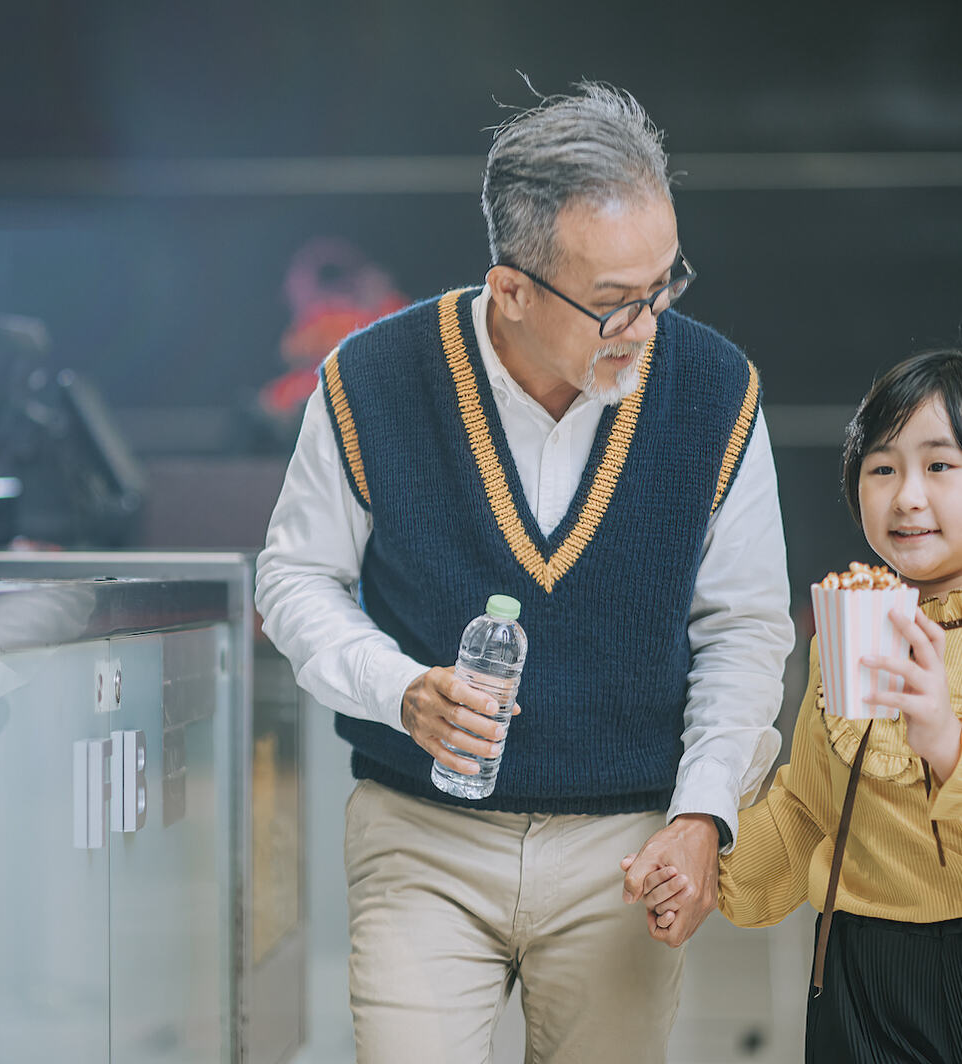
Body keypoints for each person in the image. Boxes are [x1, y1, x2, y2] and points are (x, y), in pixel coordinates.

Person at [255, 81, 794, 1063]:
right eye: (612, 302)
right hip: (422, 835)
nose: (647, 322)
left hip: (624, 845)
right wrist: (400, 688)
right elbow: (295, 579)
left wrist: (703, 814)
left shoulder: (718, 389)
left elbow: (745, 628)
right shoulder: (369, 378)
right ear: (510, 288)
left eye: (664, 283)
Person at [638, 349, 962, 1062]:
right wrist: (700, 864)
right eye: (882, 467)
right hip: (850, 968)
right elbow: (808, 811)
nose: (908, 496)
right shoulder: (853, 621)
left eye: (940, 465)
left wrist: (945, 744)